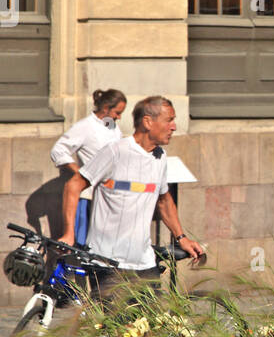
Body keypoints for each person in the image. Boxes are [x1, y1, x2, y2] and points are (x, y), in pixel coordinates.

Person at [60, 95, 204, 287]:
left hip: (144, 263)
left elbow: (164, 200)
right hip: (108, 262)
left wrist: (181, 238)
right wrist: (69, 233)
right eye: (169, 120)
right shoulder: (115, 151)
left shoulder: (160, 157)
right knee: (113, 318)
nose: (174, 127)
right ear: (148, 122)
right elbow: (73, 186)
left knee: (154, 318)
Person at [50, 89, 127, 244]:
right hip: (89, 195)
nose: (119, 117)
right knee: (83, 243)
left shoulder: (111, 125)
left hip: (110, 194)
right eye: (117, 113)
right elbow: (58, 150)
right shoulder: (85, 126)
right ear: (105, 108)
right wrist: (80, 172)